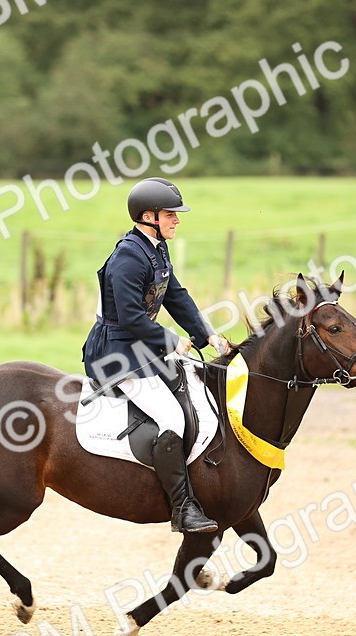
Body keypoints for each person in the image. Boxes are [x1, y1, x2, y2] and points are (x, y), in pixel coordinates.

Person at [82, 177, 230, 534]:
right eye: (170, 214)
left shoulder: (156, 249)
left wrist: (206, 335)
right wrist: (171, 340)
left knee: (194, 394)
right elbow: (132, 316)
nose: (177, 220)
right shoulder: (129, 256)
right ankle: (182, 509)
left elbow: (176, 296)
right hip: (114, 355)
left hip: (141, 349)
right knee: (170, 417)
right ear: (148, 216)